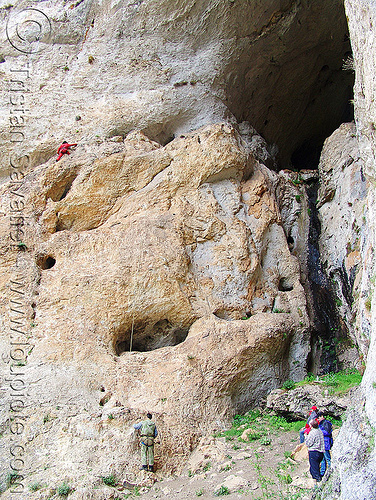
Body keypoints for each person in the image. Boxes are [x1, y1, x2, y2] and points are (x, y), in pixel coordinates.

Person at [305, 418, 325, 486]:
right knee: (315, 468)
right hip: (321, 452)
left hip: (314, 452)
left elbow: (308, 443)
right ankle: (317, 481)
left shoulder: (312, 432)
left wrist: (306, 437)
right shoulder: (320, 431)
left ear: (311, 426)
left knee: (314, 469)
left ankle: (318, 484)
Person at [317, 411, 333, 476]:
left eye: (318, 418)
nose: (317, 419)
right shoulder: (321, 424)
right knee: (322, 459)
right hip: (322, 443)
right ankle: (322, 473)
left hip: (326, 442)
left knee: (327, 458)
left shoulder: (326, 423)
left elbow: (328, 432)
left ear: (322, 416)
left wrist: (319, 431)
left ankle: (330, 470)